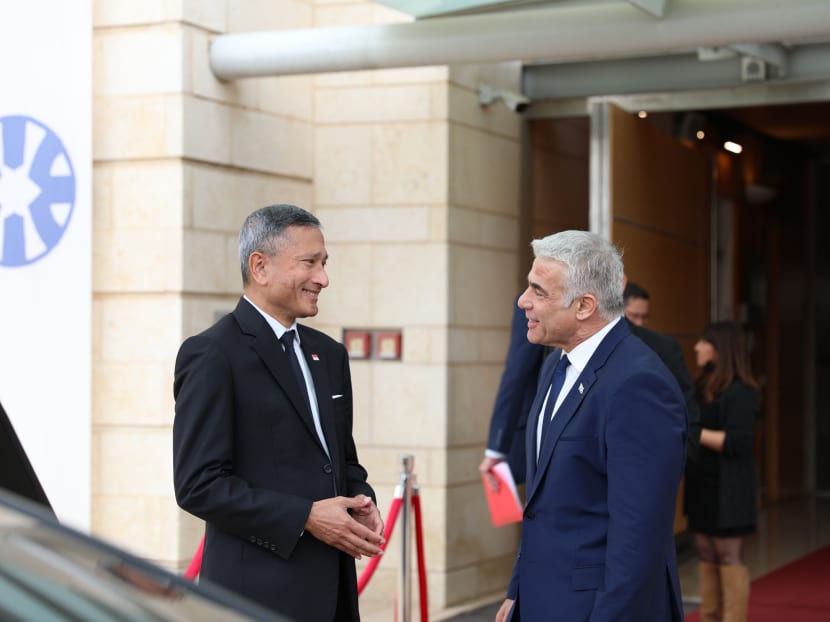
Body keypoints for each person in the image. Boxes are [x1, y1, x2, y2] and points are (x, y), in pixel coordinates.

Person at [173, 204, 384, 621]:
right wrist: (305, 517)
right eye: (309, 263)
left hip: (335, 596)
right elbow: (198, 485)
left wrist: (362, 499)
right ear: (260, 267)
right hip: (255, 600)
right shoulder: (212, 354)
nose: (323, 278)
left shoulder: (329, 354)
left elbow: (341, 460)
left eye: (324, 263)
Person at [496, 230, 687, 622]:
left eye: (538, 291)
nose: (523, 301)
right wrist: (518, 591)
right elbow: (544, 506)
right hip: (543, 598)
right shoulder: (555, 363)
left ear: (584, 306)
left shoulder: (639, 384)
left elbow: (639, 540)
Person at [685, 321, 760, 622]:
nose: (697, 347)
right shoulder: (701, 385)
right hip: (701, 483)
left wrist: (693, 433)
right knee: (706, 552)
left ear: (721, 349)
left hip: (729, 488)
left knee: (728, 554)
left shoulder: (742, 391)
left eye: (704, 342)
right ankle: (710, 617)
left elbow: (737, 441)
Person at [479, 294, 548, 487]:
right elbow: (516, 373)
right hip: (537, 439)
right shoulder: (532, 303)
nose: (524, 300)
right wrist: (496, 448)